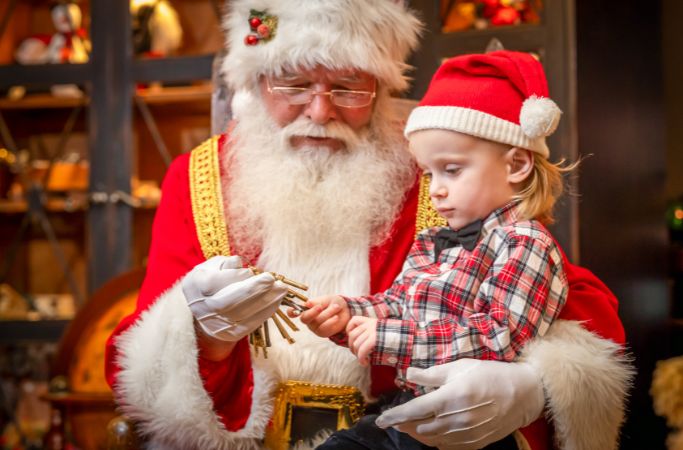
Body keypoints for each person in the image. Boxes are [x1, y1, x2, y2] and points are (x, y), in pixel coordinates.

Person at [104, 1, 633, 449]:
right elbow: (139, 359)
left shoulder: (440, 171)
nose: (319, 110)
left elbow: (571, 298)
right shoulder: (198, 177)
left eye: (348, 87)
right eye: (293, 82)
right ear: (257, 79)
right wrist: (204, 335)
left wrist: (529, 387)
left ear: (380, 87)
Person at [300, 50, 572, 450]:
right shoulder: (433, 240)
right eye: (429, 174)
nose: (436, 189)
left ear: (516, 165)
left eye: (453, 170)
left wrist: (388, 337)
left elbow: (497, 337)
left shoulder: (524, 243)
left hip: (469, 425)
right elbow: (396, 304)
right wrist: (347, 315)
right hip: (410, 407)